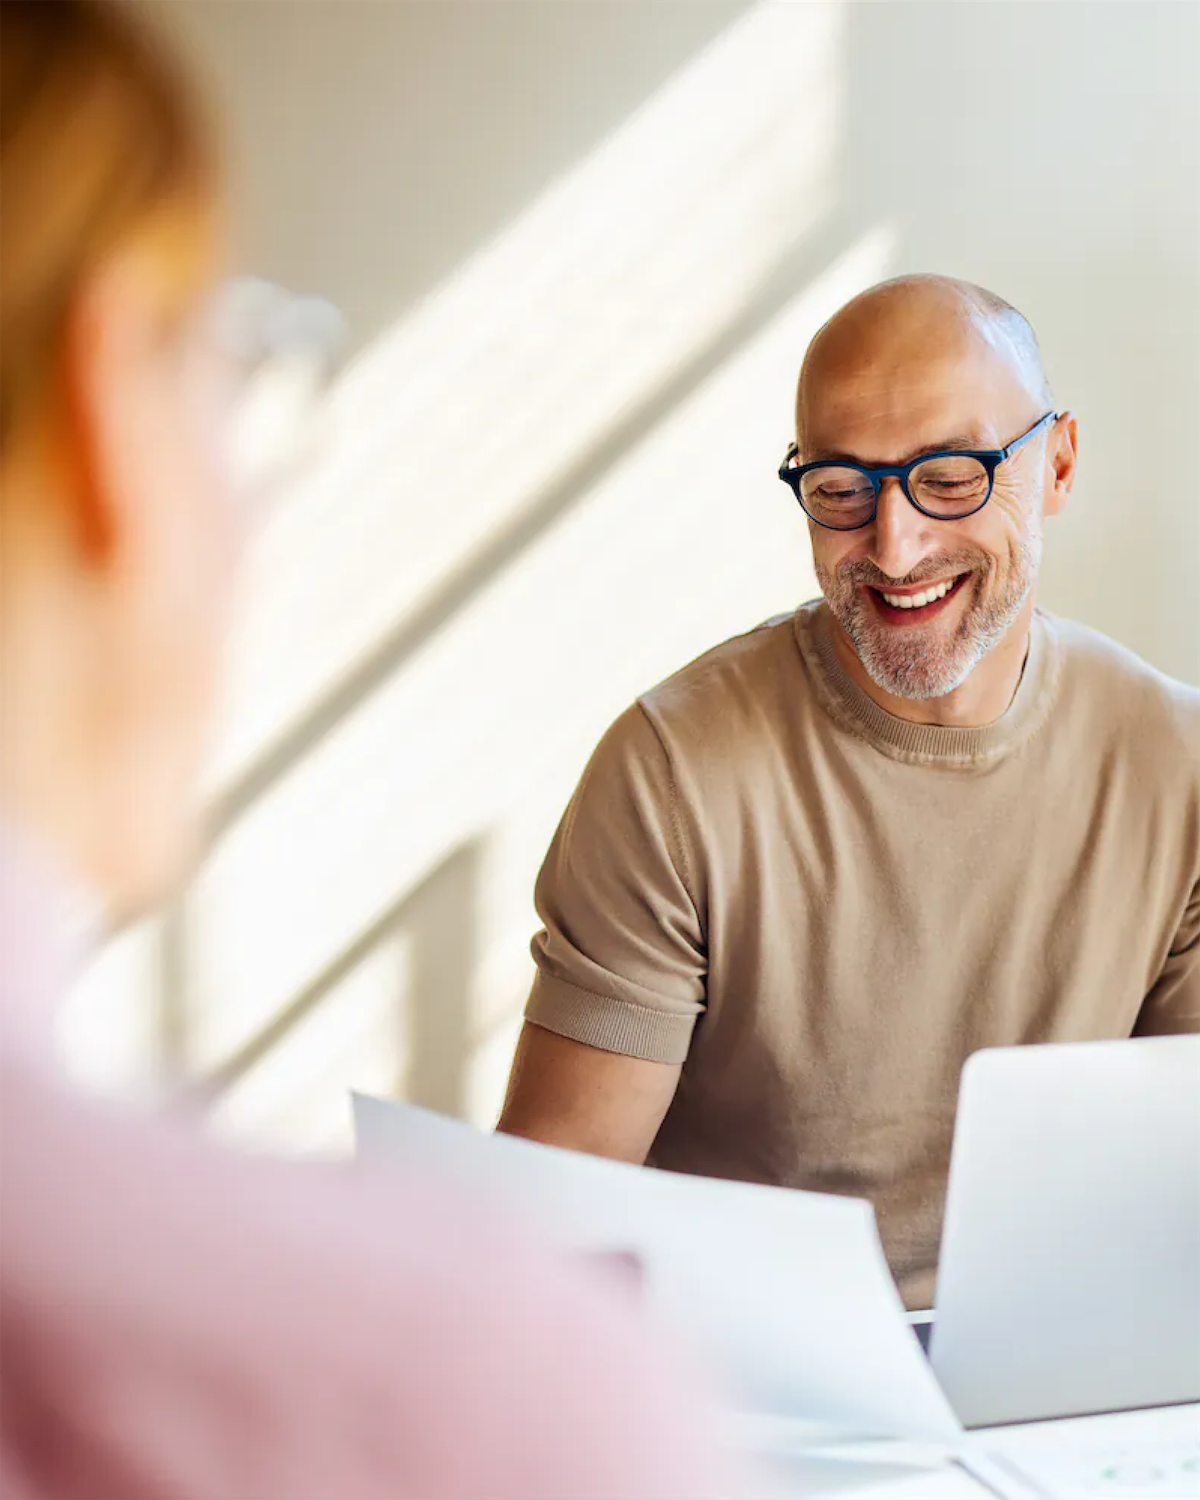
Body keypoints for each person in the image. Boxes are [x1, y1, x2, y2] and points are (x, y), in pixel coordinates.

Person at [0, 2, 747, 1495]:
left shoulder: (1153, 749)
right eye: (235, 357)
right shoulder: (459, 1392)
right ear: (108, 412)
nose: (897, 540)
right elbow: (562, 1196)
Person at [498, 273, 1200, 1311]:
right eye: (840, 488)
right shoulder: (671, 771)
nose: (893, 545)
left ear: (1056, 463)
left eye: (952, 477)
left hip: (1059, 1384)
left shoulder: (1176, 767)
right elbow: (548, 1226)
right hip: (748, 1388)